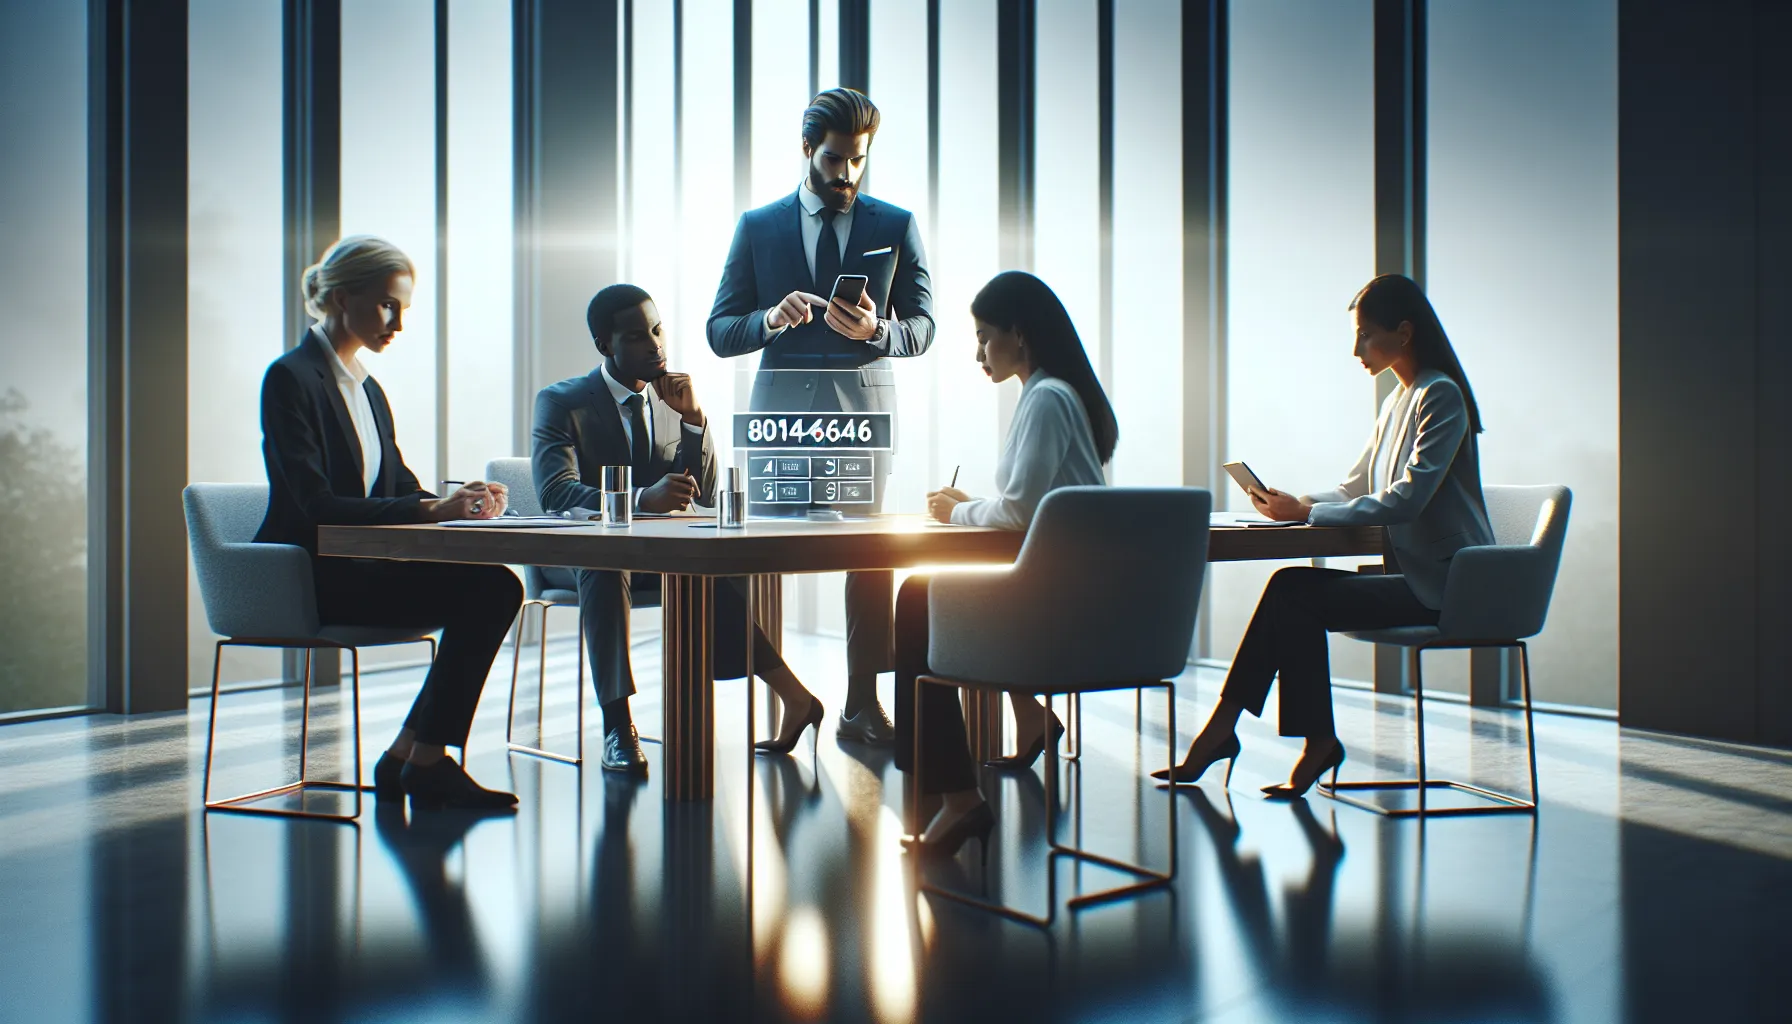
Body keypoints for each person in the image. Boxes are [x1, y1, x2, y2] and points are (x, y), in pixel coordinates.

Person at [1154, 273, 1494, 798]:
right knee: (1292, 593)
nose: (1356, 347)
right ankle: (1288, 737)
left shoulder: (1441, 397)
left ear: (1403, 332)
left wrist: (1309, 516)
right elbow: (1354, 487)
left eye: (1364, 334)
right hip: (1413, 577)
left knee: (1293, 593)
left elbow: (1408, 499)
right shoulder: (1397, 402)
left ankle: (1248, 733)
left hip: (1450, 587)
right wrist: (1300, 504)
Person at [255, 235, 521, 811]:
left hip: (363, 567)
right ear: (342, 299)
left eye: (403, 307)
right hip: (313, 577)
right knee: (494, 587)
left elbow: (398, 487)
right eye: (386, 304)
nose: (397, 321)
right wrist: (429, 511)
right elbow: (315, 504)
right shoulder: (290, 379)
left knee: (496, 584)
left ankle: (413, 755)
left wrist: (460, 500)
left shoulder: (368, 389)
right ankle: (421, 761)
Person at [707, 87, 936, 746]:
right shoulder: (759, 227)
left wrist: (878, 331)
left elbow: (924, 326)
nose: (848, 175)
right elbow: (721, 330)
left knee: (868, 561)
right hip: (780, 421)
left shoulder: (893, 225)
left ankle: (861, 707)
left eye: (859, 160)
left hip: (862, 423)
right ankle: (788, 696)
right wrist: (768, 320)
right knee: (759, 562)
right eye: (836, 160)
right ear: (808, 150)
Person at [532, 284, 831, 772]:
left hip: (655, 558)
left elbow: (709, 496)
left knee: (706, 568)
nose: (655, 344)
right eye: (636, 336)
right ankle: (617, 726)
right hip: (576, 559)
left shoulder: (669, 400)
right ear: (605, 345)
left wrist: (693, 421)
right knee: (604, 564)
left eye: (657, 329)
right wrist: (639, 500)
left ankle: (796, 698)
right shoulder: (563, 402)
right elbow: (556, 493)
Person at [897, 271, 1118, 856]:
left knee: (917, 596)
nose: (977, 353)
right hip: (1080, 597)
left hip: (1057, 612)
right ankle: (1027, 719)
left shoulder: (1046, 398)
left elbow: (1021, 511)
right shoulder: (1055, 392)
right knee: (944, 591)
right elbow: (1035, 507)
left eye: (983, 336)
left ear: (1017, 335)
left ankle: (955, 795)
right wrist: (972, 509)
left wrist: (958, 513)